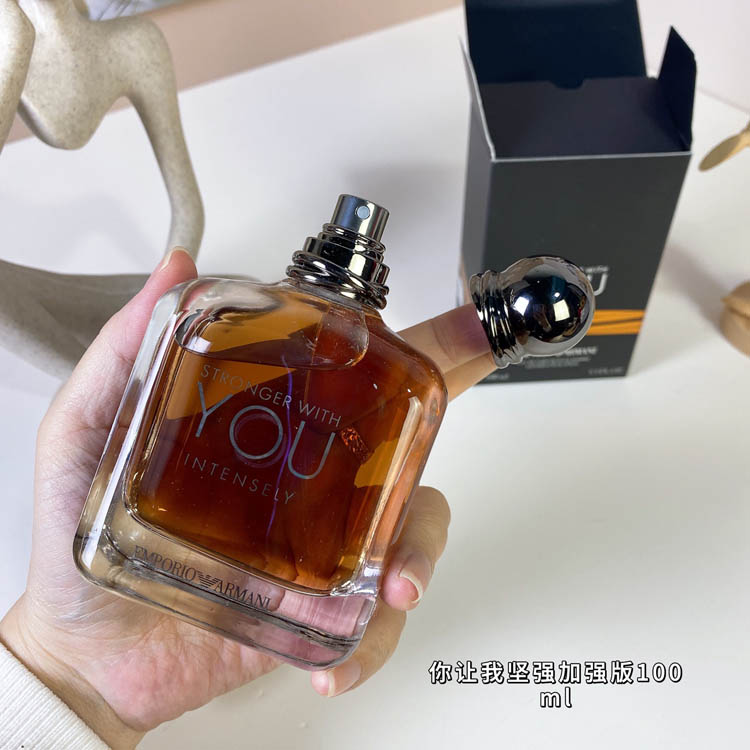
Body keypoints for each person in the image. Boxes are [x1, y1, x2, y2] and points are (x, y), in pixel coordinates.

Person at [0, 249, 495, 749]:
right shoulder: (209, 310)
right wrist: (66, 671)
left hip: (134, 569)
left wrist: (73, 679)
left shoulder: (215, 311)